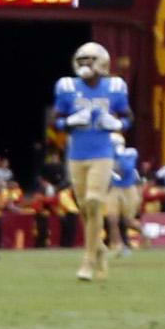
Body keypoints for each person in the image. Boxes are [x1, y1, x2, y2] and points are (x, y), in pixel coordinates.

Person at [50, 43, 135, 282]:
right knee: (86, 210)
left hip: (102, 153)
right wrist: (69, 123)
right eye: (82, 59)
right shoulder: (67, 87)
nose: (85, 64)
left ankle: (87, 261)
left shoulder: (114, 87)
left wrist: (118, 125)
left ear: (102, 63)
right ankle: (99, 250)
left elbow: (128, 116)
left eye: (90, 60)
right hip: (76, 155)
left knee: (95, 200)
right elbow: (55, 120)